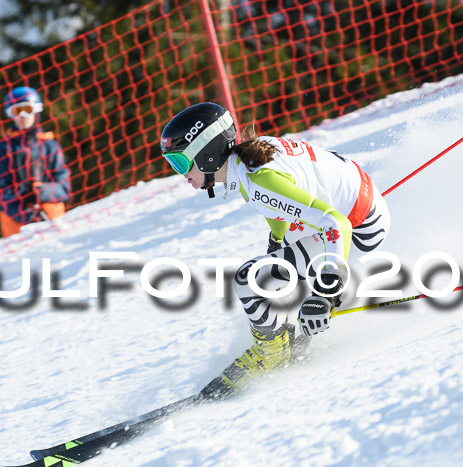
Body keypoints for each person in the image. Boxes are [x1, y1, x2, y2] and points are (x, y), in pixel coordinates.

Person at [160, 102, 390, 398]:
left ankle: (272, 354)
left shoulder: (257, 181)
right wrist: (277, 240)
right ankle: (291, 341)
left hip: (359, 229)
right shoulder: (250, 159)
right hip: (363, 207)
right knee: (275, 271)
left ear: (205, 154)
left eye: (180, 163)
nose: (182, 176)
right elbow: (281, 206)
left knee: (249, 279)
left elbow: (336, 223)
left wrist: (326, 293)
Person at [0, 86, 71, 238]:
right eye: (17, 111)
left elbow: (63, 186)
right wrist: (25, 214)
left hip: (53, 220)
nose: (23, 116)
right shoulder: (3, 148)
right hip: (17, 225)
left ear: (36, 110)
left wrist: (41, 192)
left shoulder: (50, 145)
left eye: (27, 109)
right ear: (10, 115)